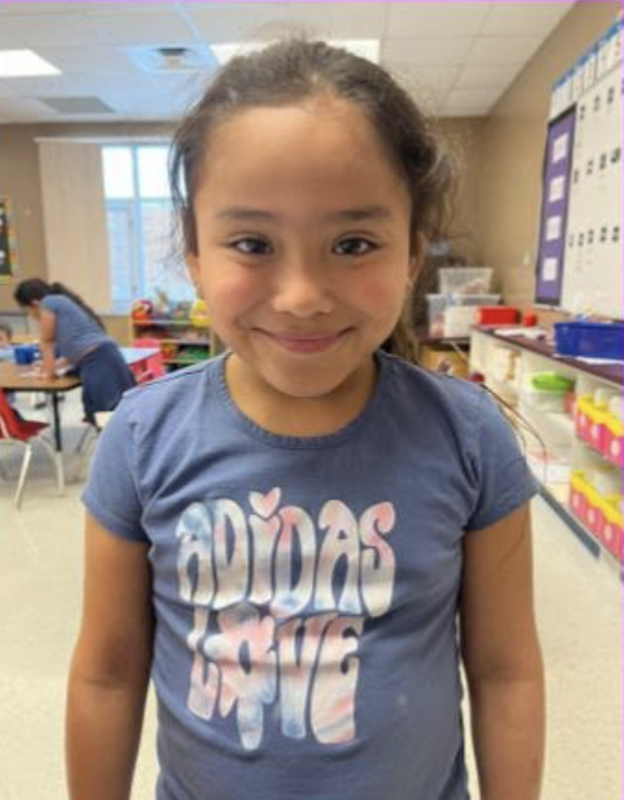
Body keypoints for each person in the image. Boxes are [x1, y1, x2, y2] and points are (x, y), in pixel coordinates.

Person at [67, 40, 545, 800]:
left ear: (413, 251)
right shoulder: (140, 436)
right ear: (194, 253)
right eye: (252, 244)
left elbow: (506, 671)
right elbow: (107, 673)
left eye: (353, 244)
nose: (301, 296)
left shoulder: (468, 436)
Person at [13, 279, 135, 424]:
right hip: (104, 357)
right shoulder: (61, 303)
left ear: (34, 304)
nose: (31, 316)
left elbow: (46, 342)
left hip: (99, 361)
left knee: (107, 416)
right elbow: (76, 349)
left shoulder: (48, 302)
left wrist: (48, 373)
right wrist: (52, 364)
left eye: (27, 311)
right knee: (103, 413)